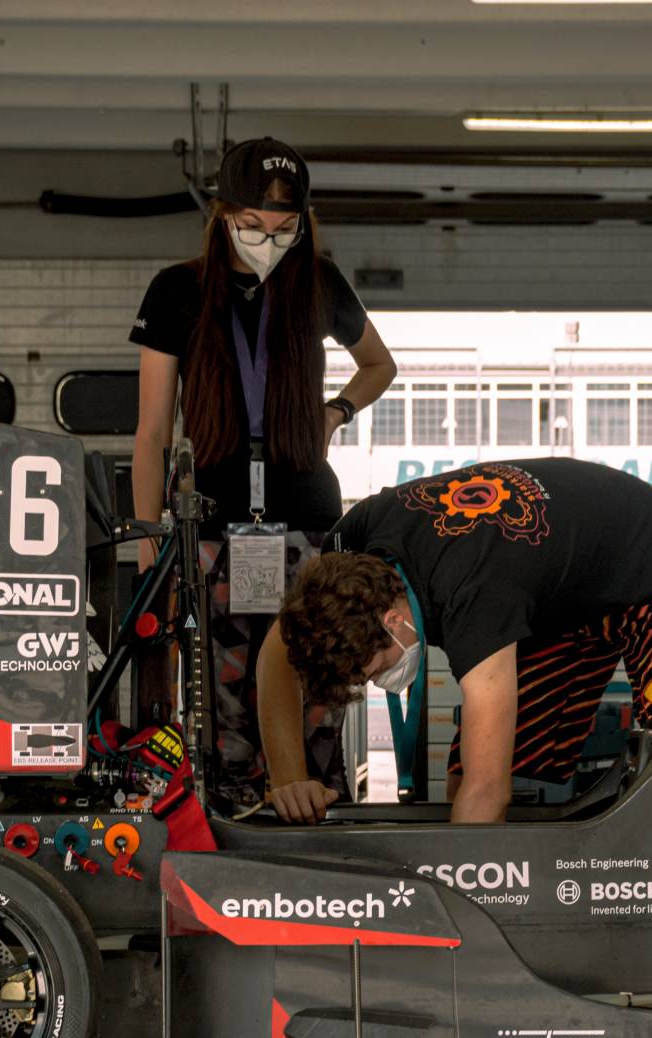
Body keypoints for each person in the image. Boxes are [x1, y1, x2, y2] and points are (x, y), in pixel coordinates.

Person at [129, 135, 397, 804]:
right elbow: (153, 429)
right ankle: (229, 819)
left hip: (307, 516)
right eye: (251, 226)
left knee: (319, 675)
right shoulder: (177, 291)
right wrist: (146, 541)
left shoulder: (321, 283)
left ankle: (320, 811)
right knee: (221, 700)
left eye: (283, 230)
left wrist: (335, 411)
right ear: (222, 216)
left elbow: (379, 364)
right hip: (215, 521)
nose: (266, 241)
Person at [258, 459, 652, 824]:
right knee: (475, 776)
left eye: (376, 670)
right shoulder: (349, 546)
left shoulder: (473, 596)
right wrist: (289, 779)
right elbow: (279, 650)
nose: (383, 682)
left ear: (394, 620)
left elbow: (488, 795)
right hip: (559, 591)